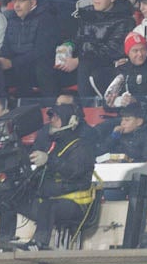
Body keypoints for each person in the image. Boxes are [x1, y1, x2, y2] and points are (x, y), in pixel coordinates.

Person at [19, 104, 97, 250]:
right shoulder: (56, 146)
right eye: (51, 117)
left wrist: (49, 160)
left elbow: (74, 171)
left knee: (47, 206)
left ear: (72, 121)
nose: (52, 120)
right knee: (15, 200)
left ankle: (39, 243)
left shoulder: (81, 147)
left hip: (76, 204)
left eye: (56, 117)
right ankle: (6, 239)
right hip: (54, 199)